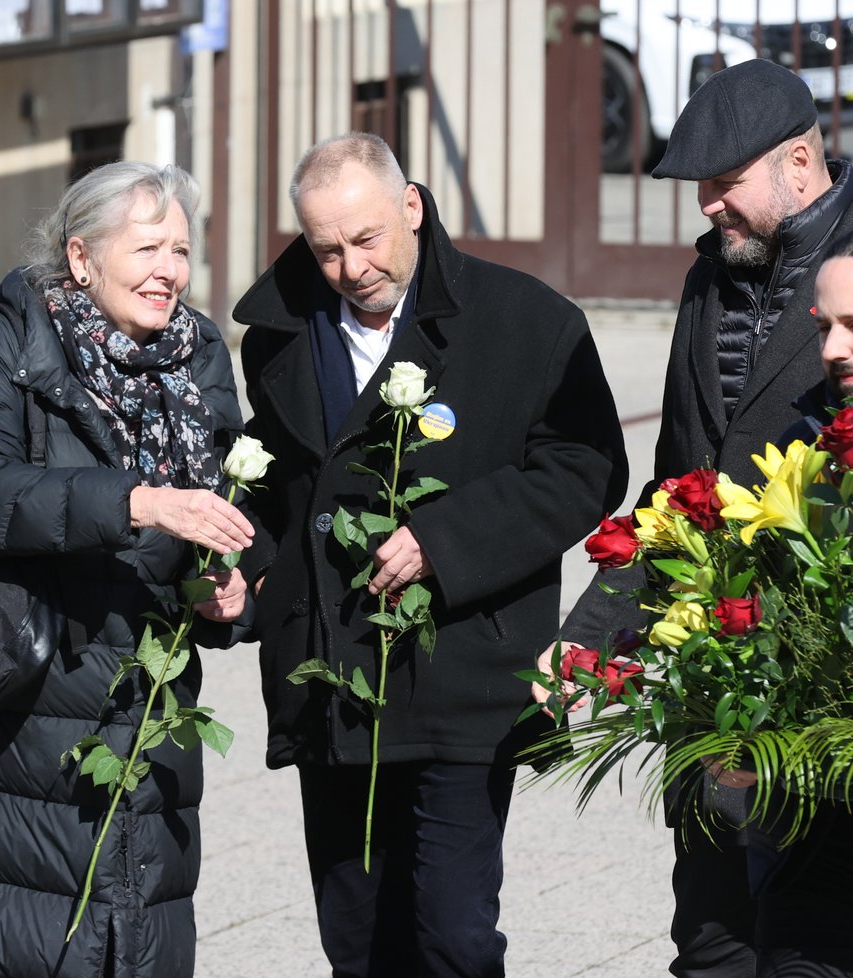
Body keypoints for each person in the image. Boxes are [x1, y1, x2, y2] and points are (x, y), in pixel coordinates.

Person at [229, 131, 627, 978]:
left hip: (462, 675)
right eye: (326, 249)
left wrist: (446, 542)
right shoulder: (277, 334)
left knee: (452, 936)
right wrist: (246, 569)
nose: (350, 267)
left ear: (411, 206)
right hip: (333, 679)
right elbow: (275, 484)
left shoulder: (527, 320)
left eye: (367, 239)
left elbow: (585, 466)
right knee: (358, 940)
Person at [0, 162, 254, 978]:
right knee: (33, 933)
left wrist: (230, 589)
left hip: (150, 700)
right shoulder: (14, 332)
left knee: (137, 933)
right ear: (81, 258)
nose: (169, 271)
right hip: (31, 688)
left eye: (181, 251)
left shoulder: (199, 353)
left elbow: (226, 507)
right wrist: (139, 503)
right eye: (147, 247)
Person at [533, 59, 853, 978]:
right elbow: (683, 489)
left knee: (809, 941)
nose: (706, 207)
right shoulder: (710, 279)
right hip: (714, 669)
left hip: (823, 690)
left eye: (724, 184)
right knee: (709, 939)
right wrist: (593, 641)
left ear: (799, 163)